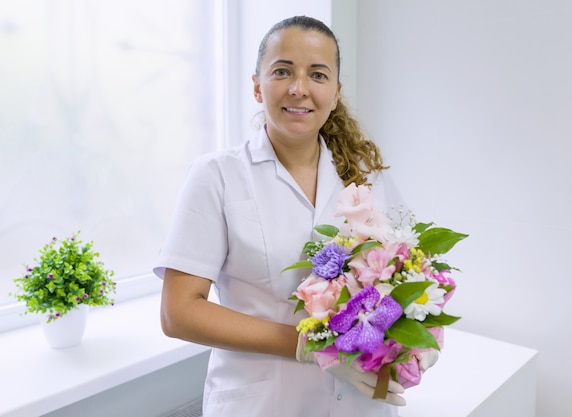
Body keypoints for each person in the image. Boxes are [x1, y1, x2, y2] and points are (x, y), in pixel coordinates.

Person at [155, 15, 414, 417]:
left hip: (361, 404)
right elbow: (179, 312)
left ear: (336, 91)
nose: (300, 88)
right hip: (264, 403)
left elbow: (406, 272)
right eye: (282, 71)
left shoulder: (368, 176)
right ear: (257, 86)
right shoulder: (217, 176)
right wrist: (309, 346)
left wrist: (417, 338)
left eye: (318, 74)